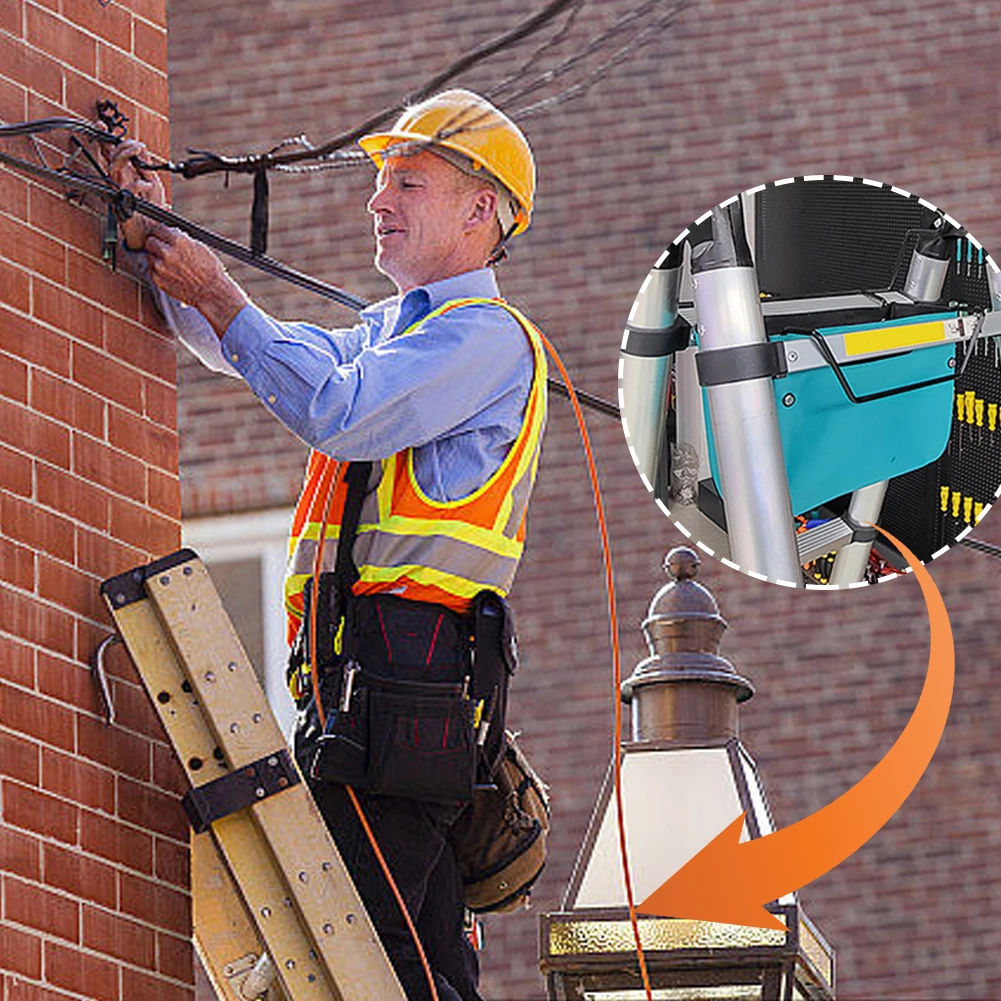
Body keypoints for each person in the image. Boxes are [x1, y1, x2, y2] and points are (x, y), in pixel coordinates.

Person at [109, 89, 547, 1001]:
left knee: (368, 954)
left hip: (404, 686)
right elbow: (261, 351)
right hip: (370, 689)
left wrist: (214, 290)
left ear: (481, 211)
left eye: (408, 181)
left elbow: (333, 409)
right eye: (380, 180)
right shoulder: (397, 333)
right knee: (409, 963)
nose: (377, 200)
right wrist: (163, 249)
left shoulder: (485, 338)